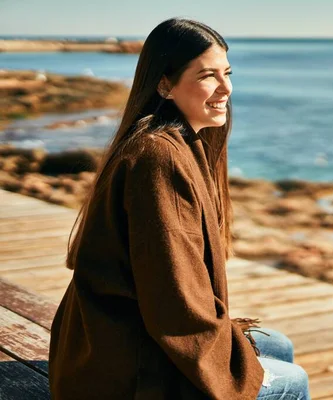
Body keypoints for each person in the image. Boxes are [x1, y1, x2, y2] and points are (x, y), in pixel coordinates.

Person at [49, 18, 311, 400]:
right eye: (208, 76)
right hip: (124, 366)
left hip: (116, 335)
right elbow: (172, 300)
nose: (226, 88)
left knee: (278, 345)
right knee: (294, 380)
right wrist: (230, 376)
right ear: (164, 84)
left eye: (228, 72)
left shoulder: (181, 142)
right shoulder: (159, 158)